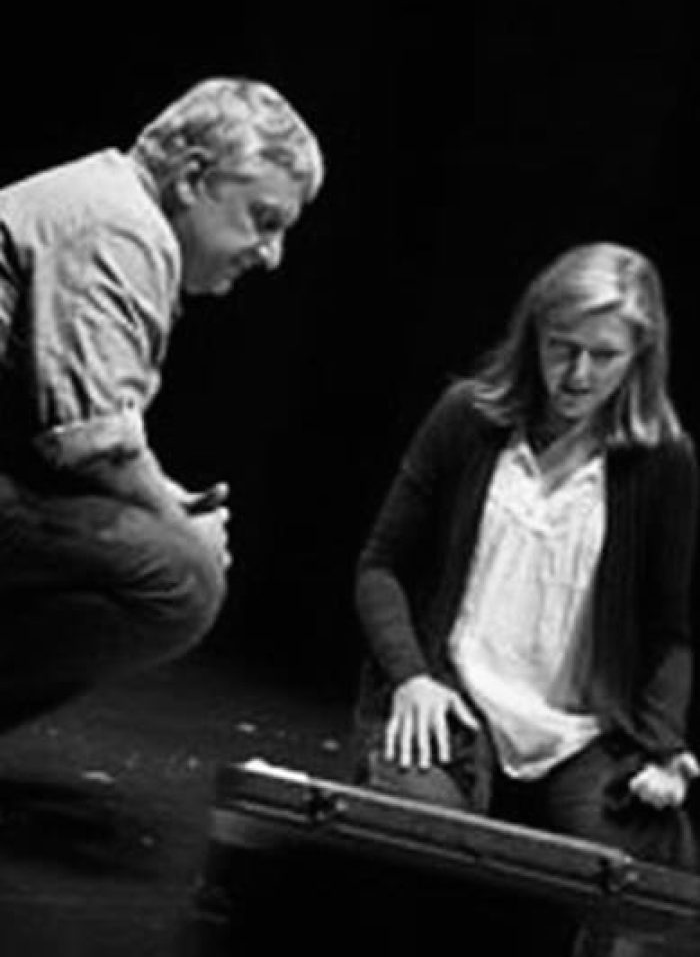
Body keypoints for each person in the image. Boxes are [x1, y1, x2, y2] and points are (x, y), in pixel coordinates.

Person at [353, 242, 699, 880]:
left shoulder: (661, 460)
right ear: (533, 335)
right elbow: (381, 566)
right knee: (415, 843)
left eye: (604, 357)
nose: (578, 375)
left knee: (635, 868)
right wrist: (410, 676)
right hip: (457, 704)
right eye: (562, 347)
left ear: (640, 359)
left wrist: (664, 745)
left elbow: (669, 630)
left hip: (580, 731)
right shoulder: (468, 418)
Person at [0, 78, 324, 732]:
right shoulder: (122, 226)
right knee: (179, 577)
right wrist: (181, 526)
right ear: (192, 176)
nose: (272, 255)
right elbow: (92, 445)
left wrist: (167, 500)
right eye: (263, 220)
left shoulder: (106, 202)